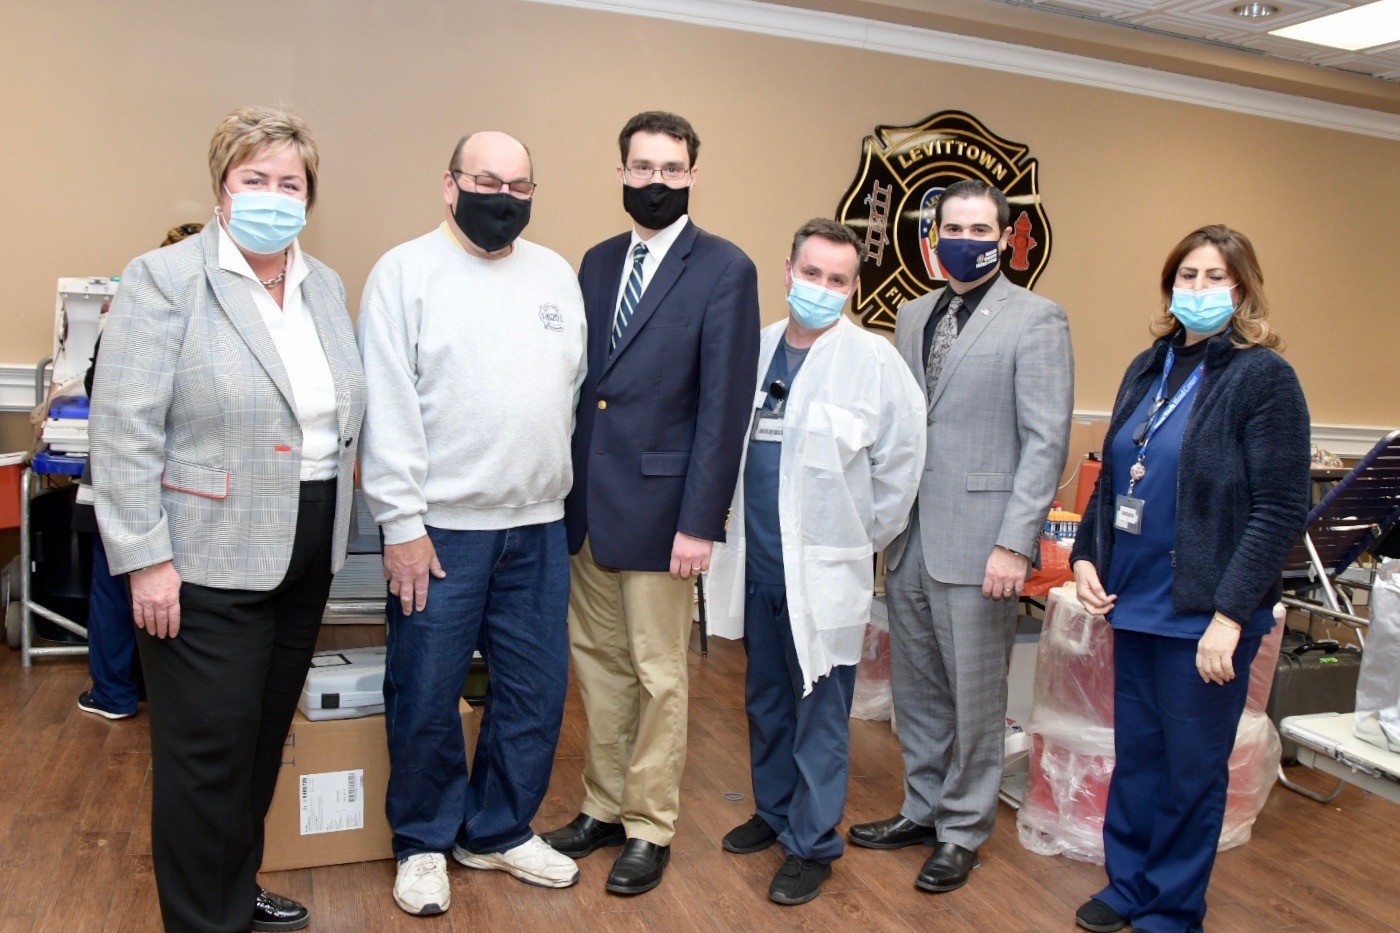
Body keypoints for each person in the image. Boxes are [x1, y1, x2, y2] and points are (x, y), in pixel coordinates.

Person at [90, 107, 366, 933]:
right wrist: (145, 558)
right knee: (204, 757)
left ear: (310, 196)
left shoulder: (325, 285)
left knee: (256, 746)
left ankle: (233, 889)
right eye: (255, 180)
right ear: (221, 188)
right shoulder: (163, 279)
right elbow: (124, 427)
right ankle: (202, 920)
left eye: (290, 182)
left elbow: (334, 415)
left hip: (306, 547)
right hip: (201, 558)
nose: (273, 196)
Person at [358, 131, 587, 917]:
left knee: (534, 689)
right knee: (425, 688)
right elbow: (385, 407)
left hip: (537, 526)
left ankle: (495, 829)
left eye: (520, 184)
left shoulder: (555, 273)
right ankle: (423, 841)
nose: (505, 197)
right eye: (488, 180)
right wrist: (401, 523)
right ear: (449, 184)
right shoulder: (404, 273)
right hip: (440, 529)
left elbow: (568, 391)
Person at [542, 111, 760, 895]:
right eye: (642, 167)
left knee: (660, 674)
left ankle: (649, 825)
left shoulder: (725, 268)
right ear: (622, 173)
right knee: (599, 670)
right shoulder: (596, 263)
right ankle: (602, 805)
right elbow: (579, 388)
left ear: (693, 174)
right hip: (589, 509)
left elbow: (724, 408)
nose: (656, 181)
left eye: (671, 168)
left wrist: (701, 521)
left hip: (668, 517)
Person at [1069, 225, 1310, 933]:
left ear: (1243, 290)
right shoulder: (1151, 365)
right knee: (1139, 757)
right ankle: (1129, 884)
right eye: (1187, 276)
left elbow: (1277, 510)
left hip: (1205, 616)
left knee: (1189, 769)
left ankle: (1172, 907)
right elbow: (1116, 474)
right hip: (1134, 601)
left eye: (1215, 277)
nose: (1198, 290)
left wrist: (1231, 617)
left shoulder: (1262, 377)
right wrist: (1088, 553)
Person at [849, 178, 1074, 893]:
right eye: (954, 227)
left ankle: (964, 827)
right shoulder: (912, 315)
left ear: (1005, 238)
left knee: (976, 696)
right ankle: (922, 806)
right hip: (911, 536)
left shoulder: (1037, 319)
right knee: (916, 689)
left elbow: (1045, 441)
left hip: (984, 544)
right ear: (931, 234)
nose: (966, 240)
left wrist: (1016, 542)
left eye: (982, 229)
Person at [707, 218, 925, 905]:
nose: (821, 288)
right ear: (788, 270)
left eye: (837, 279)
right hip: (757, 565)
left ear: (854, 287)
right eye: (812, 274)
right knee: (765, 699)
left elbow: (901, 470)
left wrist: (856, 539)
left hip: (825, 575)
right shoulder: (757, 346)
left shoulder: (875, 362)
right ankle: (772, 812)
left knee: (820, 712)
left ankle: (812, 840)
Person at [76, 222, 201, 722]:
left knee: (113, 591)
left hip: (133, 488)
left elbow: (97, 390)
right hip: (178, 486)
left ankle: (113, 693)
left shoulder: (133, 313)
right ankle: (145, 690)